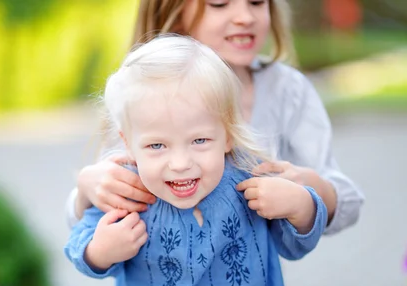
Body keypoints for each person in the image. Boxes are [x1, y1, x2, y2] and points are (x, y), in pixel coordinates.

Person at [64, 36, 327, 286]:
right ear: (128, 142)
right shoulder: (128, 191)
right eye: (157, 145)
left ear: (227, 133)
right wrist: (100, 250)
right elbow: (81, 244)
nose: (180, 162)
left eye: (200, 140)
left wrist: (300, 205)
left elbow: (297, 243)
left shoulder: (251, 184)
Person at [65, 0, 364, 235]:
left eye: (257, 2)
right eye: (220, 4)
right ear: (176, 9)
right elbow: (85, 225)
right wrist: (86, 190)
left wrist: (311, 191)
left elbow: (349, 204)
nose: (245, 16)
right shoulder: (142, 92)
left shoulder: (287, 90)